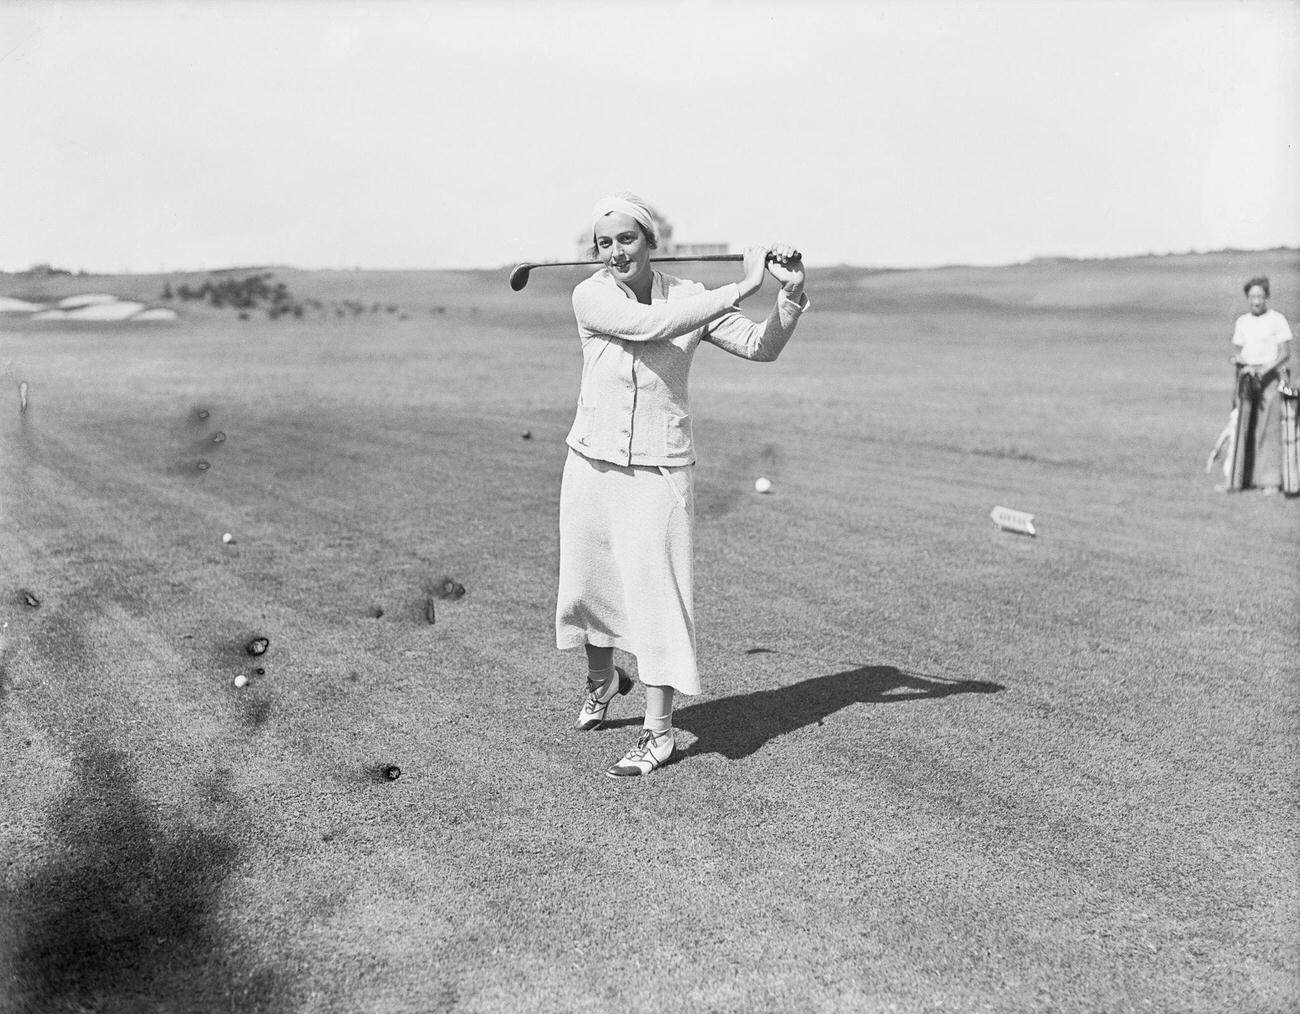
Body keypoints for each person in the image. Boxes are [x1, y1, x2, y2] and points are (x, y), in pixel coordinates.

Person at [555, 193, 809, 778]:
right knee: (587, 586)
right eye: (605, 242)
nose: (615, 251)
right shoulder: (589, 295)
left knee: (656, 597)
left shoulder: (693, 298)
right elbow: (650, 326)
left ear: (651, 242)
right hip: (590, 462)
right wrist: (744, 284)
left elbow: (759, 346)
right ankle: (604, 679)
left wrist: (787, 294)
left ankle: (658, 733)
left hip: (659, 467)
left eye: (627, 239)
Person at [1229, 275, 1293, 492]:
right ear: (1248, 298)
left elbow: (1285, 353)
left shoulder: (1277, 320)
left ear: (1267, 297)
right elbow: (1238, 350)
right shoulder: (1243, 321)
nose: (1256, 300)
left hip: (1270, 377)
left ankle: (1270, 481)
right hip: (1247, 377)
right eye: (1252, 296)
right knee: (1242, 426)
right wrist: (1242, 363)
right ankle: (1237, 481)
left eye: (1260, 296)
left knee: (1269, 427)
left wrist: (1265, 370)